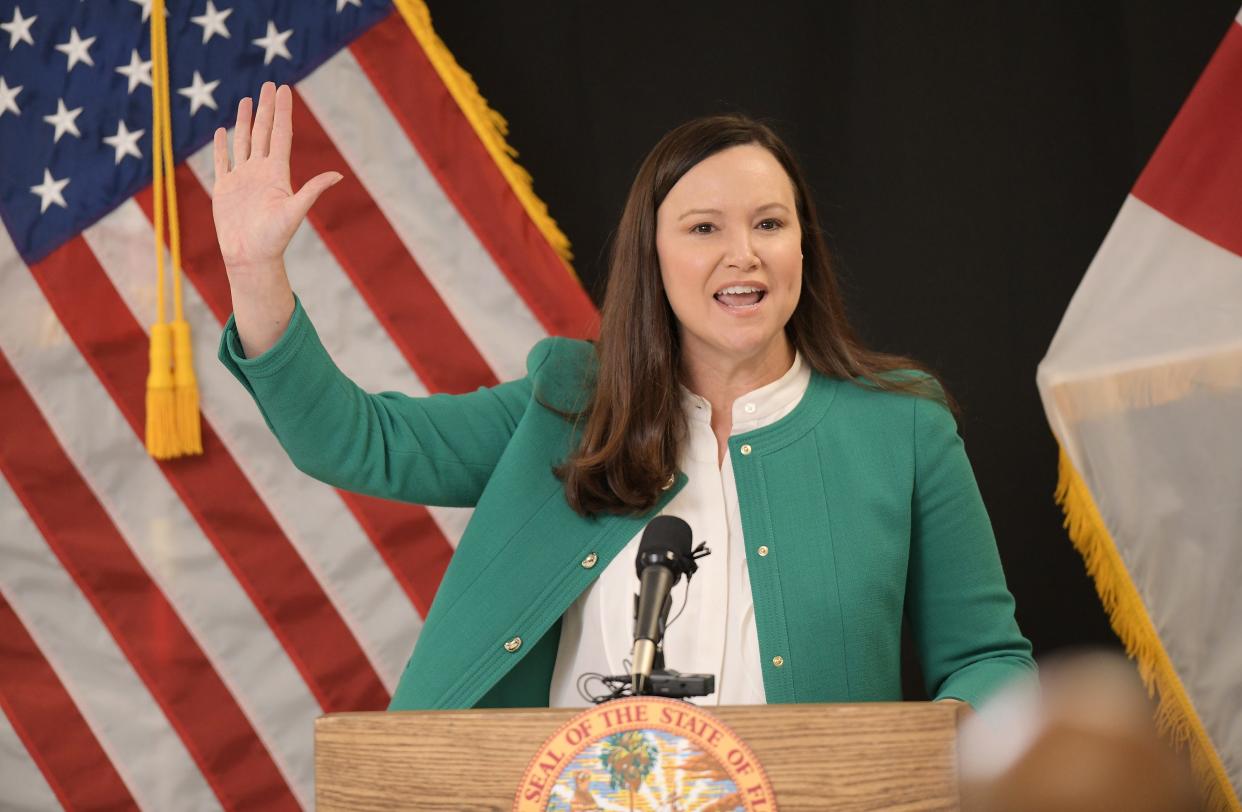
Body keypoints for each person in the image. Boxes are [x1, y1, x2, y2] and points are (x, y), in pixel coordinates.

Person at [212, 81, 1035, 712]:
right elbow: (357, 442)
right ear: (657, 255)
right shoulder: (568, 406)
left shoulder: (902, 425)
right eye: (704, 228)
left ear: (803, 247)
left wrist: (912, 760)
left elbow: (987, 659)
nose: (741, 255)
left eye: (770, 224)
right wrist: (255, 276)